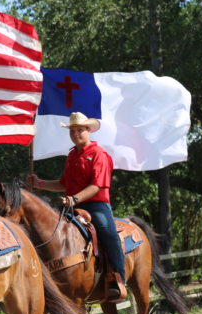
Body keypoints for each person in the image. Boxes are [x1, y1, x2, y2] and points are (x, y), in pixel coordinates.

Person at [27, 112, 127, 301]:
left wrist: (74, 199)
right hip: (72, 205)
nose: (75, 133)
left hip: (96, 205)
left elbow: (96, 185)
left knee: (107, 232)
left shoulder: (99, 154)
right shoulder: (72, 155)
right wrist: (39, 183)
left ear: (88, 130)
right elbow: (63, 184)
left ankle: (118, 279)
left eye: (80, 130)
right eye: (72, 130)